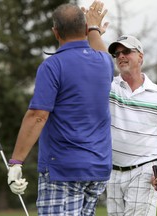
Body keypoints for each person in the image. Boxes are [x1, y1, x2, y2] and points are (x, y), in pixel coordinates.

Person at [7, 1, 114, 215]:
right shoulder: (104, 62)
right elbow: (104, 54)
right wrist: (93, 29)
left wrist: (16, 162)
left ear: (55, 32)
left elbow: (38, 116)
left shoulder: (53, 65)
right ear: (84, 29)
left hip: (64, 169)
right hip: (98, 168)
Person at [106, 35, 157, 215]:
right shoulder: (109, 86)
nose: (121, 56)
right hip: (112, 173)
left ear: (140, 56)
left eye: (126, 51)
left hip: (145, 171)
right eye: (117, 54)